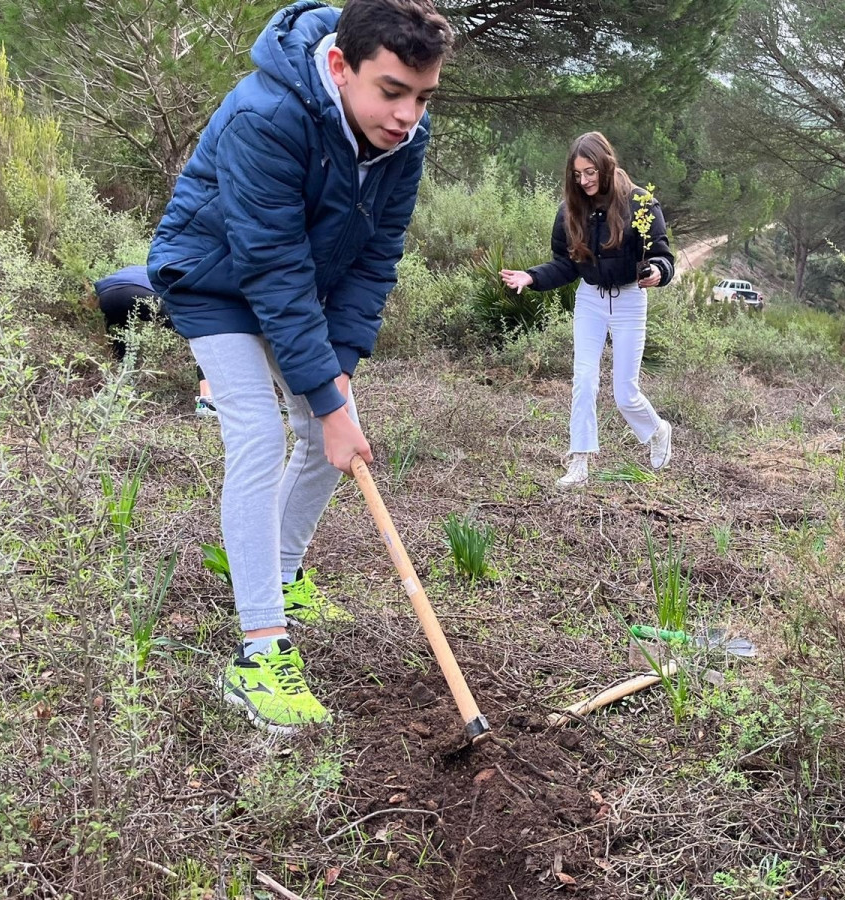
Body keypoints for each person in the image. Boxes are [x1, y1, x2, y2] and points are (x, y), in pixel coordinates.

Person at [148, 0, 453, 733]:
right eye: (391, 92)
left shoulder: (404, 138)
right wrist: (322, 395)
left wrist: (338, 371)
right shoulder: (267, 114)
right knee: (259, 434)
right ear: (342, 67)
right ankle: (258, 653)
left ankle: (278, 573)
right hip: (212, 276)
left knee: (336, 435)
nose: (408, 114)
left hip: (297, 284)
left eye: (423, 96)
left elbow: (376, 258)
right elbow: (269, 267)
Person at [500, 132, 676, 488]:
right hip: (591, 299)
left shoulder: (640, 204)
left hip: (629, 300)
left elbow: (663, 254)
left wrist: (657, 271)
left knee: (625, 393)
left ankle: (657, 431)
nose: (585, 180)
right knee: (584, 380)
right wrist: (531, 277)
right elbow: (566, 266)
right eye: (578, 174)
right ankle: (579, 462)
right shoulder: (570, 210)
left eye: (591, 171)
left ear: (606, 165)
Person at [93, 266, 216, 416]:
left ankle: (121, 394)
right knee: (201, 337)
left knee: (122, 340)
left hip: (107, 296)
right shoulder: (169, 271)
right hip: (142, 292)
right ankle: (206, 401)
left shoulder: (135, 270)